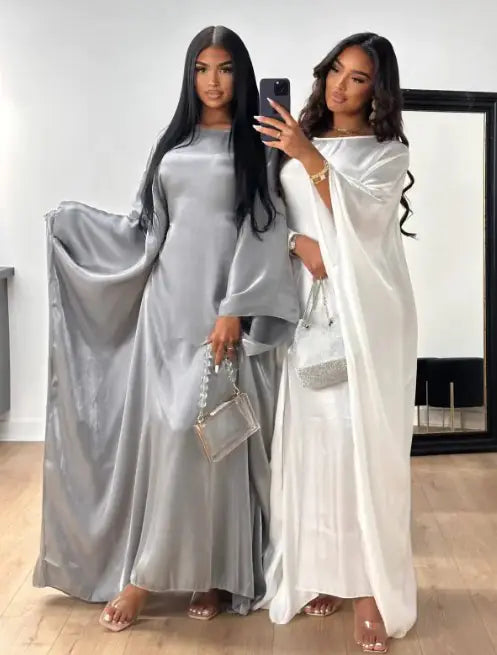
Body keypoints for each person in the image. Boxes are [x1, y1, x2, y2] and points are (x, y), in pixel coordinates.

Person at [33, 25, 299, 632]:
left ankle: (207, 572)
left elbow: (265, 228)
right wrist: (75, 227)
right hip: (166, 309)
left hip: (221, 310)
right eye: (202, 69)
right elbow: (146, 229)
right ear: (190, 75)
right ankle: (153, 572)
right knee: (168, 435)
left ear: (241, 75)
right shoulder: (171, 145)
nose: (213, 81)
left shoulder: (258, 144)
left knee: (210, 436)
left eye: (225, 68)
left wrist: (235, 307)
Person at [254, 32, 417, 653]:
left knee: (358, 445)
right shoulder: (294, 139)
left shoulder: (387, 153)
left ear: (378, 91)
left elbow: (367, 223)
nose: (340, 87)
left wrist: (306, 154)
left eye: (358, 78)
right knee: (313, 443)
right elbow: (271, 216)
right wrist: (297, 244)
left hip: (365, 314)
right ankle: (322, 571)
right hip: (306, 312)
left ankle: (369, 589)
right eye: (336, 72)